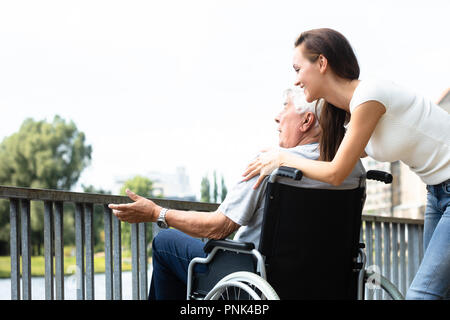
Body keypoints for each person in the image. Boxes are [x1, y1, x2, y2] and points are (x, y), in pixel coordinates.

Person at [242, 28, 450, 300]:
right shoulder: (348, 113)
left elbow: (337, 172)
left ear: (322, 63)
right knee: (440, 292)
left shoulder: (370, 96)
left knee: (423, 294)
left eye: (297, 69)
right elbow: (324, 157)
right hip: (437, 193)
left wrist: (282, 157)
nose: (296, 81)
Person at [108, 87, 366, 300]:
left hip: (253, 280)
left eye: (284, 106)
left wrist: (157, 212)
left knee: (165, 243)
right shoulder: (351, 169)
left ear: (307, 121)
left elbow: (218, 227)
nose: (277, 117)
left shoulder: (273, 163)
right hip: (322, 283)